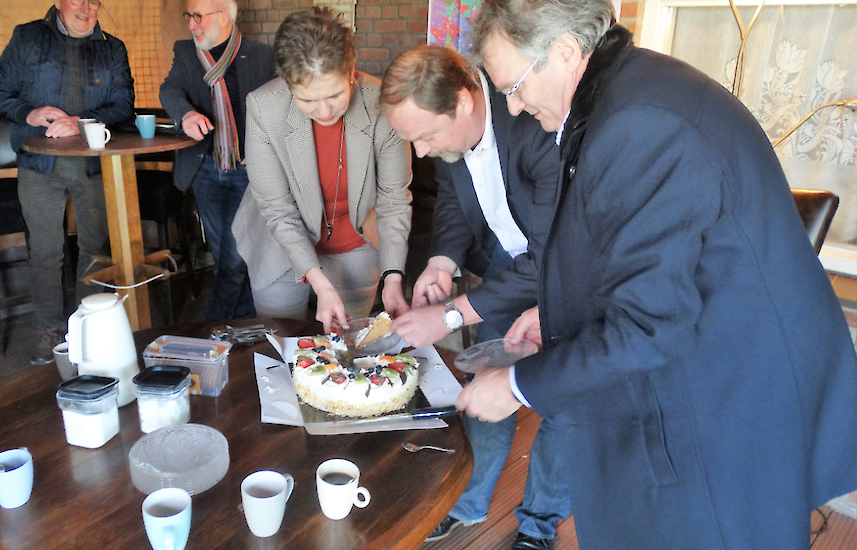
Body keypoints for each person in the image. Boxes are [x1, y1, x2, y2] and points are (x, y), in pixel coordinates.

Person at [457, 0, 857, 549]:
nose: (516, 106)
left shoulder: (638, 123)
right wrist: (552, 314)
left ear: (566, 52)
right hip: (708, 373)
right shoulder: (626, 90)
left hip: (730, 406)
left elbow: (647, 326)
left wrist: (518, 386)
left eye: (515, 86)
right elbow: (627, 253)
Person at [381, 45, 563, 550]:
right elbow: (456, 203)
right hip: (510, 262)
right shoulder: (449, 135)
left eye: (425, 136)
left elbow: (552, 256)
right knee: (486, 377)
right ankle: (466, 502)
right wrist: (442, 262)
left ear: (464, 103)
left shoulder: (533, 121)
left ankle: (538, 527)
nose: (419, 152)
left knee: (562, 399)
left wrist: (450, 313)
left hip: (575, 269)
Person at [231, 8, 412, 333]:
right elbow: (277, 209)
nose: (325, 111)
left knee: (348, 343)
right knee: (283, 341)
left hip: (357, 240)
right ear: (288, 84)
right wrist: (320, 284)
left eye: (335, 94)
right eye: (308, 100)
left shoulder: (384, 103)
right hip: (280, 242)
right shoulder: (262, 106)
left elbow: (394, 200)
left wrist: (393, 275)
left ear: (351, 70)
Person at [0, 0, 134, 366]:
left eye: (94, 1)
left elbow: (124, 105)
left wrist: (81, 121)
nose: (86, 7)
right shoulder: (29, 37)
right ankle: (49, 328)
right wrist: (28, 113)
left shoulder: (112, 47)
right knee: (47, 251)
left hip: (93, 164)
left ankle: (92, 322)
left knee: (95, 246)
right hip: (39, 162)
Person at [159, 0, 275, 320]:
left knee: (236, 256)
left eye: (198, 17)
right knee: (226, 253)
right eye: (189, 16)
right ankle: (247, 323)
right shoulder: (186, 53)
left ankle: (213, 327)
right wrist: (186, 114)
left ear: (223, 16)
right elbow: (170, 89)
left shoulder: (261, 56)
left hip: (248, 171)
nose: (191, 25)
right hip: (206, 168)